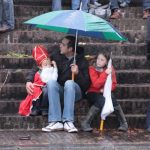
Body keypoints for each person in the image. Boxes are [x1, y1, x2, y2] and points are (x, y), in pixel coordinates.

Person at [26, 36, 90, 133]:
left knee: (69, 83)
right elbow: (40, 64)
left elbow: (86, 85)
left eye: (63, 44)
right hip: (61, 90)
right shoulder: (56, 55)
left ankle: (68, 121)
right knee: (51, 82)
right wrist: (29, 80)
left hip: (75, 92)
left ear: (70, 49)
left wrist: (78, 74)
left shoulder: (82, 61)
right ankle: (56, 121)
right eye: (61, 43)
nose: (60, 46)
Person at [81, 53, 128, 132]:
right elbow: (96, 84)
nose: (99, 61)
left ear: (106, 62)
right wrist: (105, 73)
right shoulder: (92, 68)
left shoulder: (110, 68)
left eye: (102, 60)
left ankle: (124, 123)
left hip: (104, 92)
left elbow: (113, 83)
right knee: (101, 100)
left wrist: (106, 90)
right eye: (98, 58)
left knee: (112, 98)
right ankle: (85, 122)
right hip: (92, 92)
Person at [19, 45, 58, 116]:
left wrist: (54, 67)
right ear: (40, 66)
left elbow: (54, 77)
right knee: (36, 90)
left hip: (49, 84)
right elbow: (33, 72)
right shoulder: (39, 68)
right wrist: (29, 81)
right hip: (39, 85)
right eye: (45, 64)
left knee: (46, 91)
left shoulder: (52, 66)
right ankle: (35, 108)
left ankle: (44, 109)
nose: (47, 65)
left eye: (48, 64)